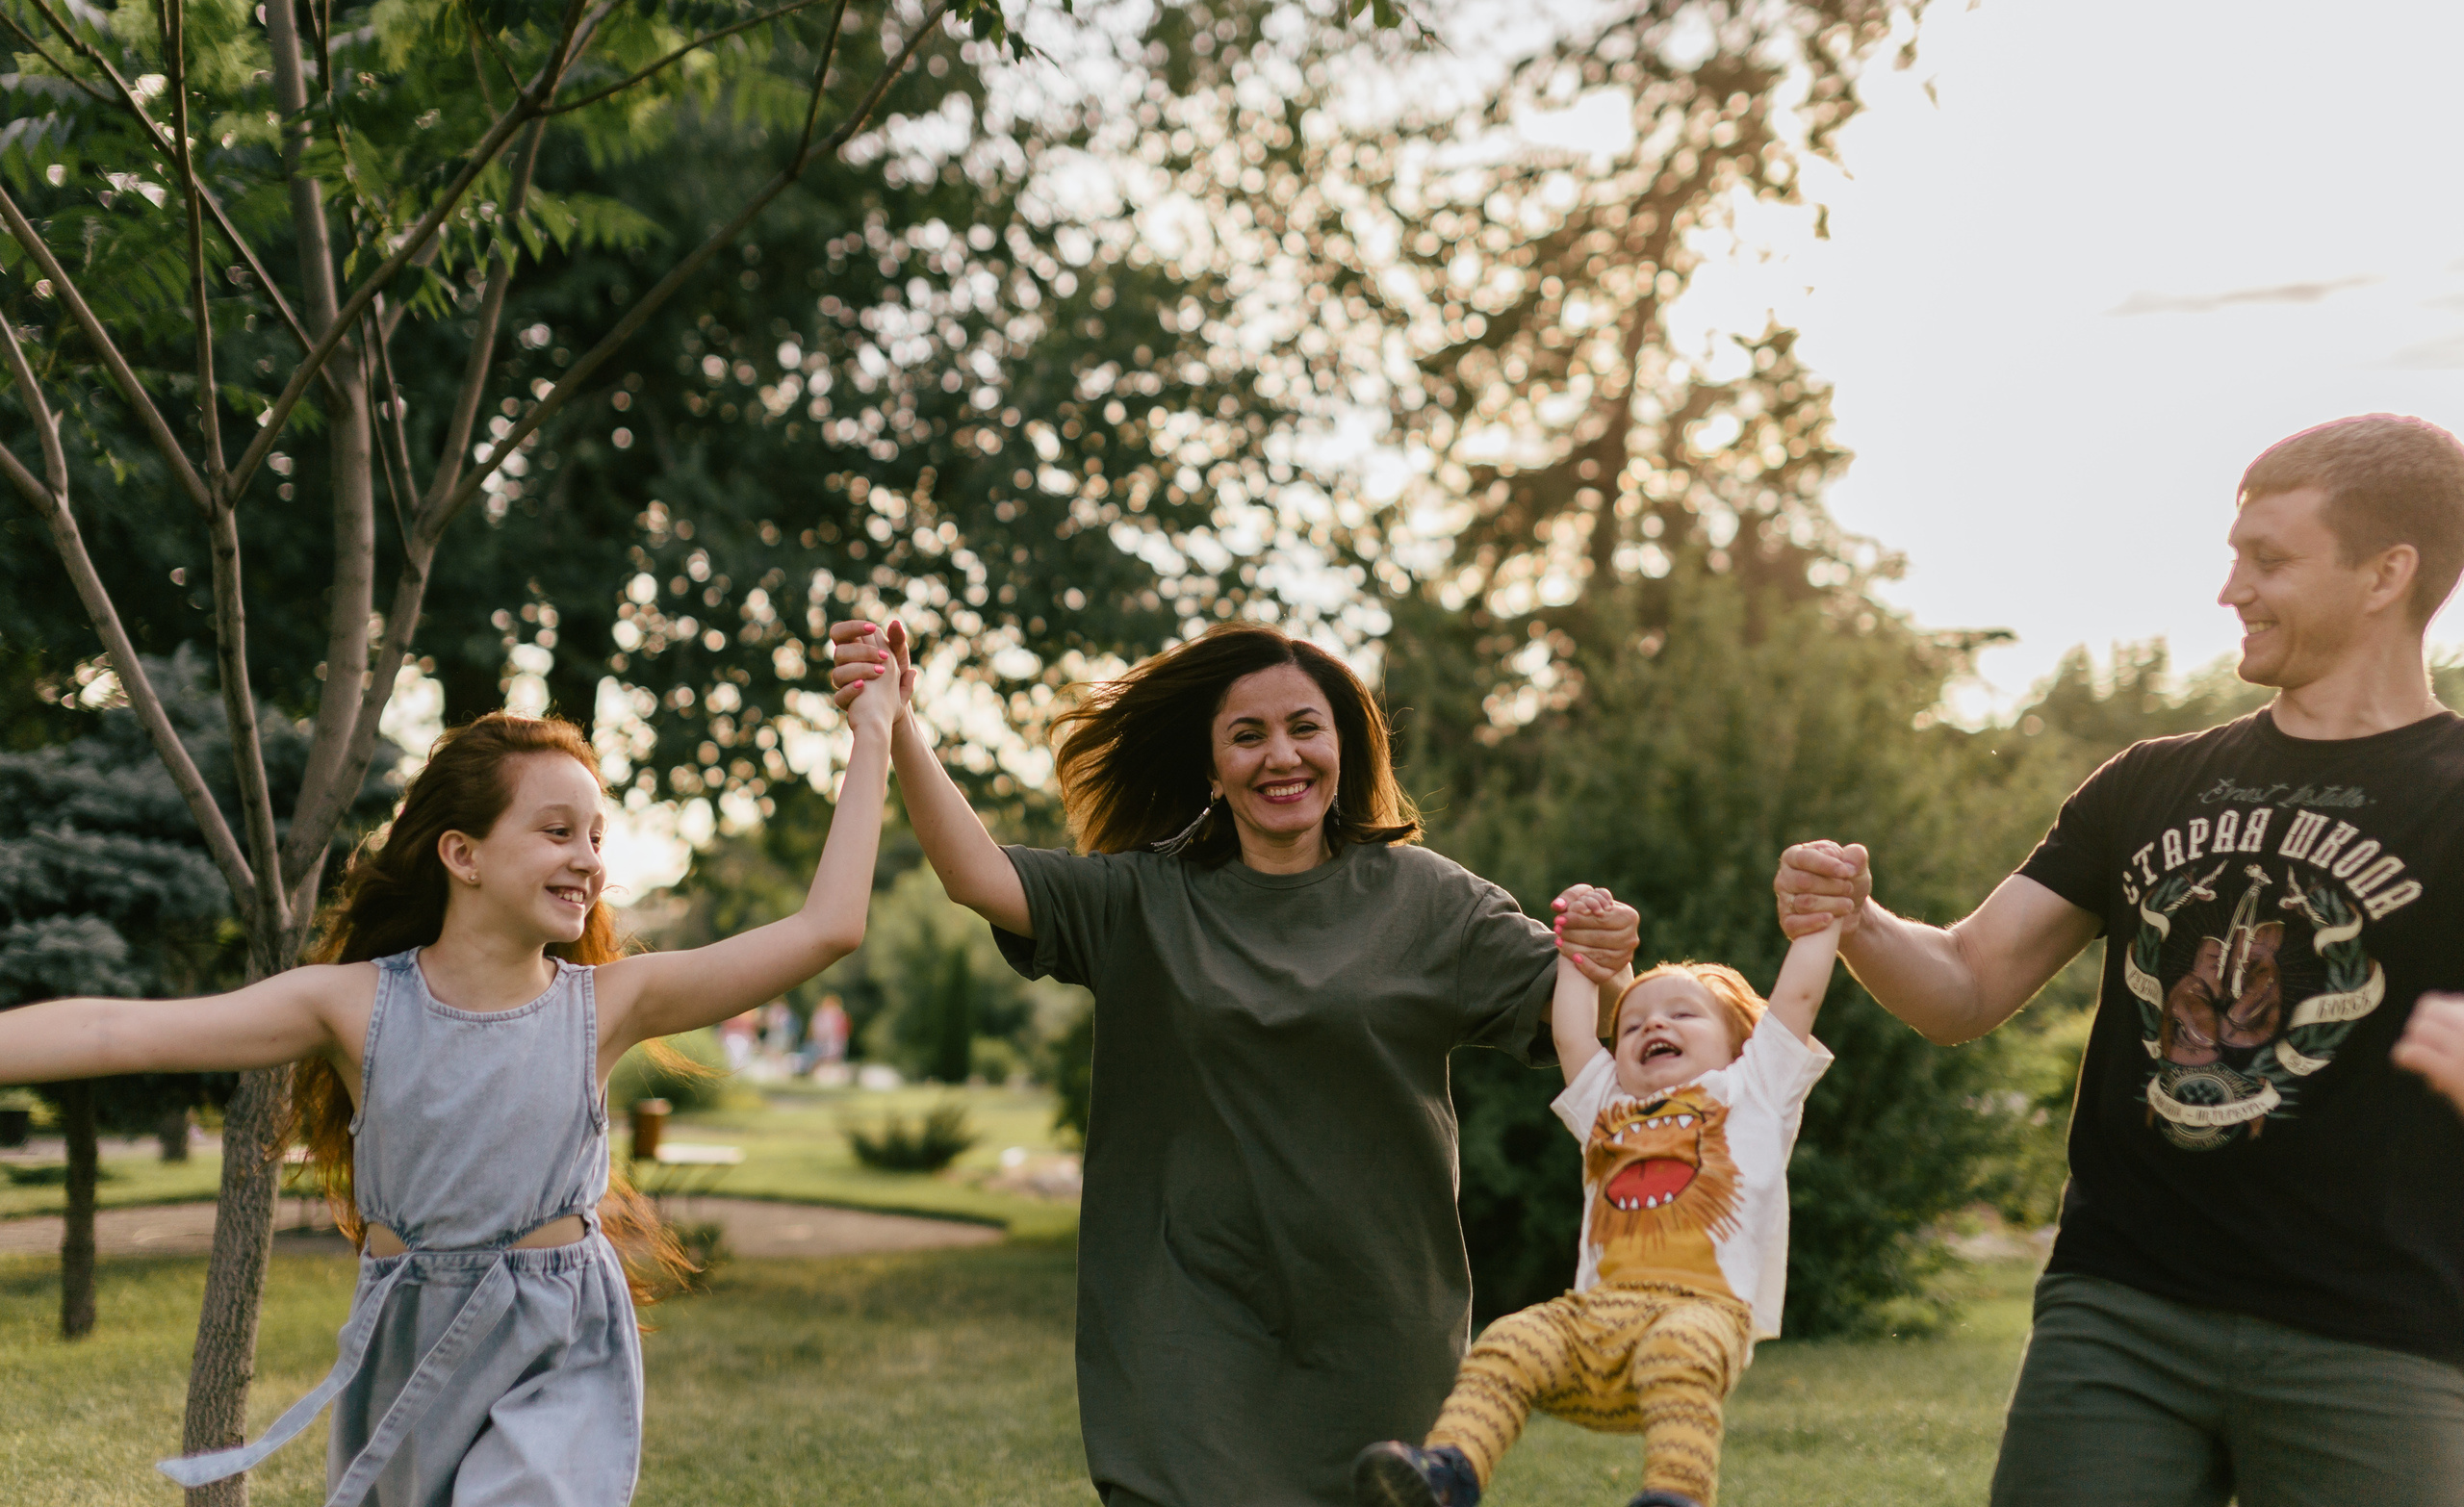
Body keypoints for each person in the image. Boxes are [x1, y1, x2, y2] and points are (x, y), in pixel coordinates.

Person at [0, 652, 900, 1504]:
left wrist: (873, 734)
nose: (589, 858)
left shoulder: (609, 1004)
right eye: (557, 832)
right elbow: (117, 1028)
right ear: (462, 855)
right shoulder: (355, 1005)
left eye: (596, 836)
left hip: (558, 1342)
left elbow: (827, 928)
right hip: (407, 1338)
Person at [1773, 414, 2464, 1506]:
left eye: (2269, 560)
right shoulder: (2149, 781)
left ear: (2387, 574)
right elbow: (1964, 986)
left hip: (2377, 1341)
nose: (2230, 590)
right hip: (2121, 1317)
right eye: (2234, 556)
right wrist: (1859, 921)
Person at [829, 617, 1643, 1507]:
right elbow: (976, 877)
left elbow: (1598, 1017)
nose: (1280, 756)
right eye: (1247, 736)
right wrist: (899, 724)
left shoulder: (1431, 902)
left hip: (1376, 1333)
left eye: (1305, 728)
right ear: (1213, 769)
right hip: (1181, 1331)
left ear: (1343, 748)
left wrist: (1608, 961)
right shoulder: (1141, 900)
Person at [1353, 886, 1841, 1507]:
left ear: (1743, 1043)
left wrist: (1826, 910)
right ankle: (1449, 1473)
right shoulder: (1609, 1107)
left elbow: (1798, 998)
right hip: (1595, 1320)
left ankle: (1675, 1495)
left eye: (1682, 1014)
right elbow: (1571, 1034)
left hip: (1702, 1314)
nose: (1653, 1025)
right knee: (1508, 1340)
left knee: (1677, 1345)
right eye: (1632, 1025)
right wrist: (1577, 951)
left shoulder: (1754, 1091)